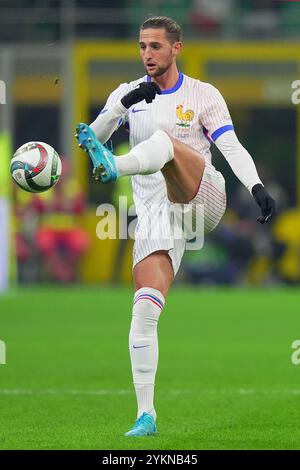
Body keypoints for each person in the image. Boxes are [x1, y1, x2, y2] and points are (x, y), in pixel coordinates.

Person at [76, 16, 276, 437]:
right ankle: (145, 414)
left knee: (165, 144)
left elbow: (229, 145)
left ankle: (119, 166)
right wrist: (125, 103)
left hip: (202, 197)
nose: (148, 54)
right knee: (145, 307)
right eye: (142, 46)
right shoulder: (129, 94)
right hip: (156, 215)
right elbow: (91, 137)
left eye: (156, 46)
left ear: (176, 48)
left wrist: (255, 186)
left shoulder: (203, 95)